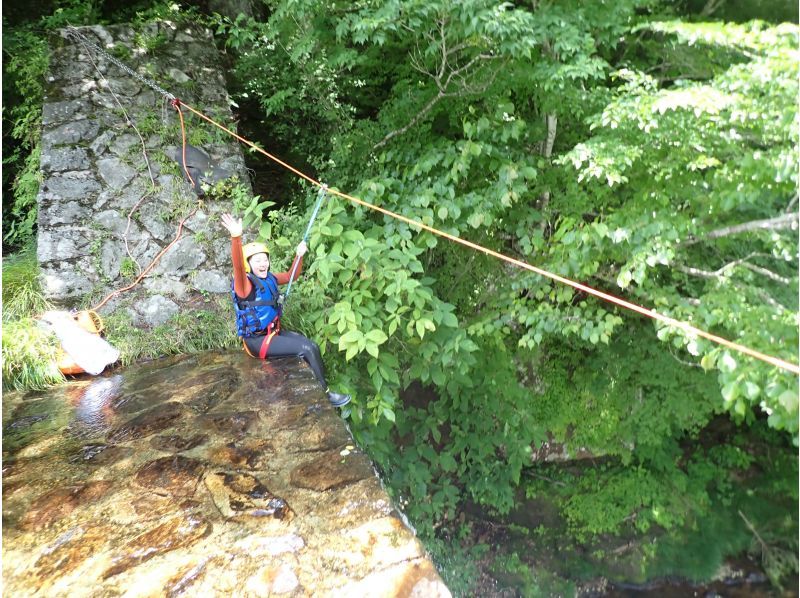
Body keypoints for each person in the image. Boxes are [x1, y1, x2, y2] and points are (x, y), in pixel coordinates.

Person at [220, 212, 351, 407]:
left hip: (273, 333)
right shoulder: (244, 286)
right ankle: (324, 397)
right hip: (257, 341)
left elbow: (291, 276)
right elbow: (238, 267)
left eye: (265, 259)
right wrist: (236, 237)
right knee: (306, 349)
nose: (263, 264)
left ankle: (316, 390)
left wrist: (299, 256)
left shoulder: (269, 278)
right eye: (257, 261)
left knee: (312, 346)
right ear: (248, 264)